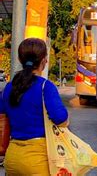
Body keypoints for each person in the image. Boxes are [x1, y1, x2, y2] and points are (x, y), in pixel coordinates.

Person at [0, 38, 68, 175]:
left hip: (12, 158)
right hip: (38, 160)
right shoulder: (45, 87)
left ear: (20, 59)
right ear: (44, 60)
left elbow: (2, 118)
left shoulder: (9, 88)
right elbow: (60, 118)